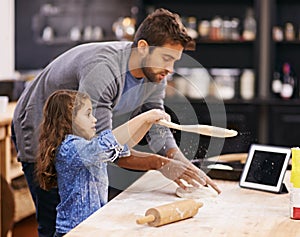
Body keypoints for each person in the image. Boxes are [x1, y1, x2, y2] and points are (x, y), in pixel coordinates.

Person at [12, 8, 221, 237]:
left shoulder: (156, 74)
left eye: (175, 61)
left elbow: (157, 125)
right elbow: (105, 148)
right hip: (39, 123)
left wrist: (182, 164)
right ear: (143, 48)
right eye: (166, 58)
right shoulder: (104, 70)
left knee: (87, 211)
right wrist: (161, 164)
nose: (170, 70)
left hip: (82, 137)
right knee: (55, 222)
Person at [36, 89, 171, 236]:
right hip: (74, 231)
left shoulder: (86, 146)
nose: (94, 119)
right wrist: (145, 116)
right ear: (68, 120)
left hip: (90, 227)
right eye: (88, 114)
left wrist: (148, 122)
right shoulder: (71, 149)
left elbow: (124, 146)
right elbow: (109, 143)